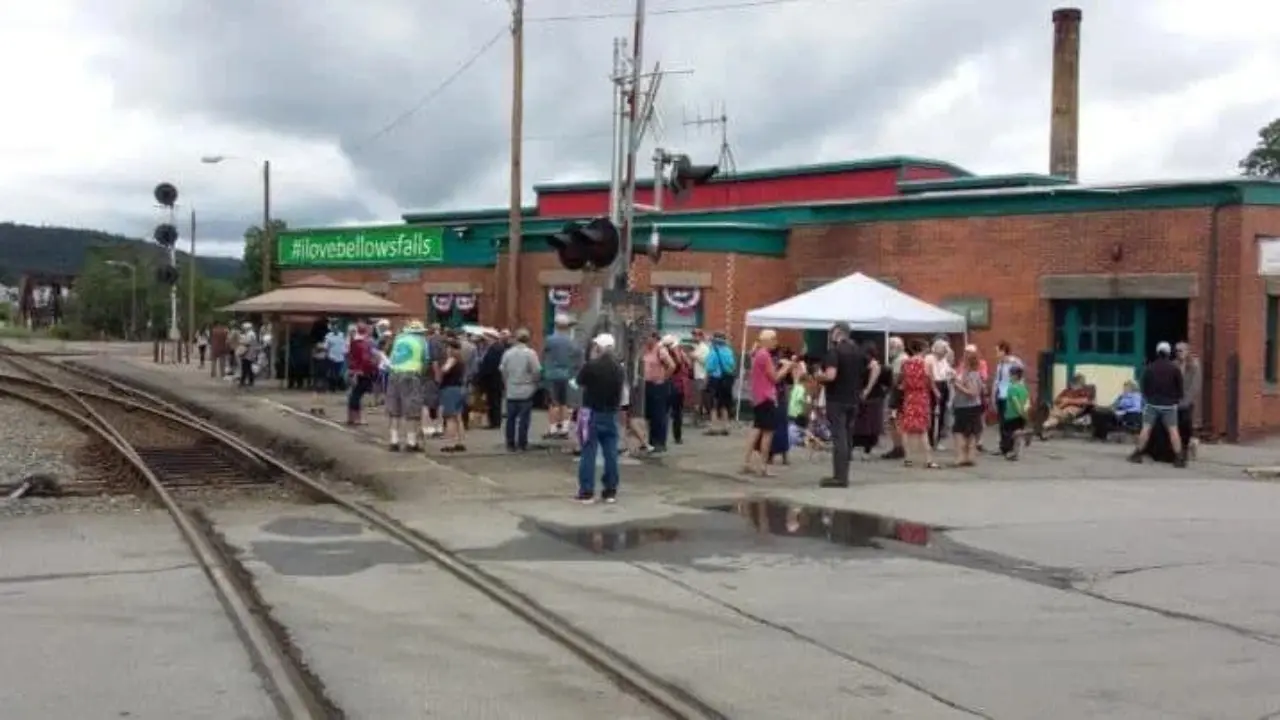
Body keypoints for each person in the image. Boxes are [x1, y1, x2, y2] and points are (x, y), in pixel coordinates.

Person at [575, 333, 625, 504]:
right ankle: (610, 490)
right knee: (611, 453)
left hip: (591, 412)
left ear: (599, 347)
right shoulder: (619, 368)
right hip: (610, 413)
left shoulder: (591, 366)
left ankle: (587, 491)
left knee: (588, 451)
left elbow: (579, 380)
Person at [817, 322, 868, 488]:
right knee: (847, 436)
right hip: (853, 399)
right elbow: (873, 367)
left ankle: (839, 477)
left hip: (837, 399)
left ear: (838, 333)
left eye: (832, 332)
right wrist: (865, 387)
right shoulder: (859, 351)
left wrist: (818, 376)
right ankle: (844, 474)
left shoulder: (835, 351)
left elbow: (831, 375)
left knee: (839, 437)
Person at [743, 329, 792, 476]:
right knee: (768, 432)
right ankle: (763, 467)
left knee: (757, 429)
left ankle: (746, 462)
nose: (776, 342)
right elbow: (775, 378)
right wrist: (786, 367)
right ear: (767, 340)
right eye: (774, 339)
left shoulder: (758, 354)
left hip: (758, 397)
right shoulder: (765, 355)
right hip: (767, 397)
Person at [1130, 341, 1185, 467]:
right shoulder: (1174, 368)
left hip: (1153, 404)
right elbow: (1180, 388)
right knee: (1173, 431)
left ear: (1157, 352)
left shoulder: (1150, 368)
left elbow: (1143, 386)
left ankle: (1137, 454)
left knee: (1146, 429)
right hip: (1169, 405)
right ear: (1169, 353)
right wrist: (1176, 398)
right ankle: (1179, 457)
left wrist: (1148, 397)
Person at [385, 320, 427, 452]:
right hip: (411, 375)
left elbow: (391, 356)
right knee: (412, 410)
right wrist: (422, 374)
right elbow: (425, 360)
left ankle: (394, 441)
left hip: (394, 373)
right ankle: (411, 442)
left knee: (394, 410)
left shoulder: (399, 339)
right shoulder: (422, 341)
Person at [897, 339, 938, 468]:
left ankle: (908, 458)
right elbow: (931, 381)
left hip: (909, 396)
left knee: (907, 428)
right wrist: (936, 392)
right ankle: (928, 459)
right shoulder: (926, 363)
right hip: (921, 396)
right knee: (923, 429)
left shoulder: (905, 363)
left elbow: (902, 383)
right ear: (922, 349)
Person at [499, 328, 541, 452]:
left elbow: (502, 370)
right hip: (527, 389)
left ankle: (510, 443)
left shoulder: (508, 353)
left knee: (510, 418)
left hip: (511, 389)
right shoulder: (530, 353)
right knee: (524, 419)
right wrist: (535, 383)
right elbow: (537, 370)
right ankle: (522, 443)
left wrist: (506, 382)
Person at [542, 314, 578, 439]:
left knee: (553, 403)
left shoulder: (550, 340)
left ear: (556, 325)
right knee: (566, 403)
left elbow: (544, 355)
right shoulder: (571, 342)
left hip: (552, 374)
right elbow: (577, 357)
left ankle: (552, 429)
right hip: (567, 375)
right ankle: (564, 428)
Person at [950, 344, 985, 466]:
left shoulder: (972, 375)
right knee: (971, 433)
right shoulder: (969, 373)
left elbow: (973, 393)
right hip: (967, 406)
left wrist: (957, 385)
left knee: (959, 431)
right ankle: (969, 456)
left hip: (967, 407)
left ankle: (962, 456)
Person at [641, 333, 676, 452]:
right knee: (648, 414)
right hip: (646, 384)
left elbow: (672, 366)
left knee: (659, 414)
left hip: (658, 385)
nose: (646, 340)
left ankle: (659, 442)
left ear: (655, 339)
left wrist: (663, 378)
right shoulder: (644, 350)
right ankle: (649, 441)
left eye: (648, 338)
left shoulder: (660, 350)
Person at [991, 341, 1024, 457]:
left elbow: (1021, 371)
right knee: (1002, 423)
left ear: (1004, 351)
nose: (996, 354)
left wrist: (1013, 360)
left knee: (1010, 422)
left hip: (1010, 395)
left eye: (998, 351)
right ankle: (1003, 446)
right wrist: (993, 394)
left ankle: (1011, 448)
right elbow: (997, 380)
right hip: (1001, 394)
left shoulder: (1013, 363)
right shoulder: (1000, 365)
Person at [703, 331, 737, 436]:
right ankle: (726, 427)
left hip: (715, 380)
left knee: (713, 404)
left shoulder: (712, 352)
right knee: (724, 404)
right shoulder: (729, 351)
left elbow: (709, 368)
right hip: (727, 380)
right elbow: (732, 366)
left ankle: (713, 427)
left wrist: (706, 381)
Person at [438, 339, 468, 452]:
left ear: (450, 348)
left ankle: (450, 444)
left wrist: (441, 370)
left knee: (450, 417)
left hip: (450, 389)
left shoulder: (452, 359)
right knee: (458, 417)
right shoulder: (461, 359)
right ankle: (460, 442)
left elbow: (445, 370)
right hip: (459, 389)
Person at [881, 336, 906, 459]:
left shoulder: (898, 360)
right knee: (898, 420)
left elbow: (895, 379)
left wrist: (888, 388)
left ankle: (898, 447)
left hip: (896, 395)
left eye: (891, 346)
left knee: (893, 420)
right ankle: (900, 446)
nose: (890, 349)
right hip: (904, 394)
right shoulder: (906, 358)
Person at [1175, 342, 1202, 460]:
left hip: (1188, 401)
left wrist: (1186, 401)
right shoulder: (1174, 365)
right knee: (1177, 425)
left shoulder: (1194, 365)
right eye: (1176, 351)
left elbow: (1195, 385)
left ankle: (1187, 447)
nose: (1178, 353)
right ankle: (1183, 447)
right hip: (1176, 400)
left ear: (1187, 351)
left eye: (1181, 350)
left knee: (1186, 423)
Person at [345, 323, 375, 426]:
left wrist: (352, 370)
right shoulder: (363, 343)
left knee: (353, 394)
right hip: (362, 372)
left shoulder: (353, 342)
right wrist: (364, 369)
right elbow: (365, 359)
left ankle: (351, 417)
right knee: (358, 395)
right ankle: (358, 418)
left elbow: (349, 356)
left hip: (353, 370)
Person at [1001, 366, 1031, 460]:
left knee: (1011, 434)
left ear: (1014, 376)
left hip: (1012, 414)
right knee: (1017, 436)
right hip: (1022, 414)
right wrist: (1025, 413)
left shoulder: (1012, 388)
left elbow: (1015, 401)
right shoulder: (1023, 387)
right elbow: (1028, 401)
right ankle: (1015, 453)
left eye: (1010, 374)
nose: (1009, 376)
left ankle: (1024, 433)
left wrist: (1019, 412)